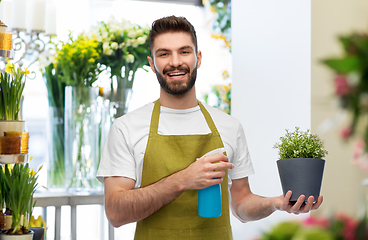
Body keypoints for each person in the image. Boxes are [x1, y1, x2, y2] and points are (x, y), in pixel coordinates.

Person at [96, 15, 323, 239]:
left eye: (184, 51)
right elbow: (116, 213)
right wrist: (183, 179)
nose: (175, 62)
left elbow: (241, 204)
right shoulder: (126, 127)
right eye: (164, 54)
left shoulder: (229, 126)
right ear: (152, 64)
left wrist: (275, 203)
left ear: (199, 58)